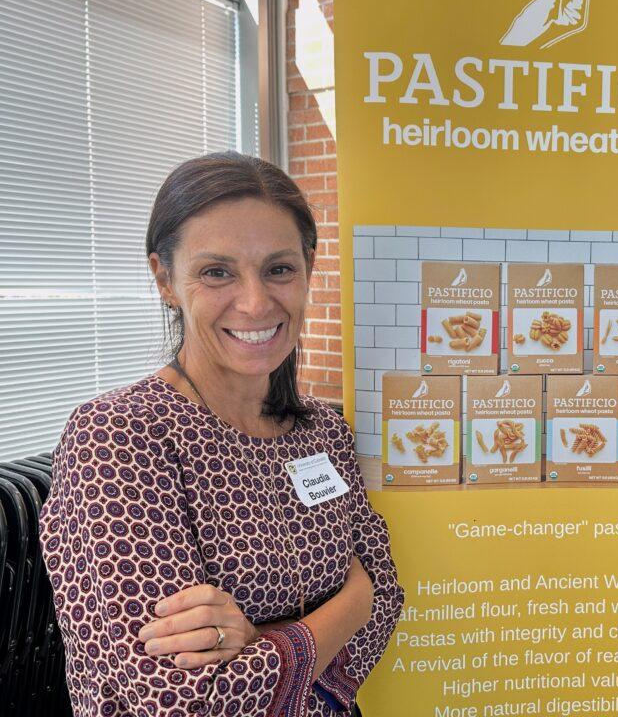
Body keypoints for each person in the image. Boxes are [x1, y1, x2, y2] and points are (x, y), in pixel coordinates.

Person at [38, 152, 404, 717]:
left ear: (309, 267)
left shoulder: (323, 433)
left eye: (279, 269)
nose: (256, 302)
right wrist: (350, 603)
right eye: (217, 272)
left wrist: (257, 643)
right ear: (165, 279)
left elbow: (388, 601)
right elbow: (183, 699)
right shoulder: (120, 438)